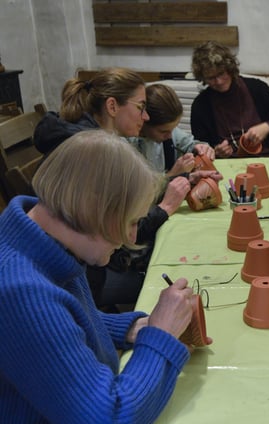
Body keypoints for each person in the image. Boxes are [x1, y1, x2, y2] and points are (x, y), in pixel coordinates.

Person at [0, 130, 211, 424]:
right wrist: (161, 336)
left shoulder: (37, 240)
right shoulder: (21, 292)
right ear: (97, 210)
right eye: (131, 222)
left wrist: (130, 328)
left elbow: (57, 326)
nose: (129, 238)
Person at [33, 68, 191, 307]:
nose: (146, 116)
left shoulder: (87, 140)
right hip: (80, 279)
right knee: (169, 280)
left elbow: (122, 207)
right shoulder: (92, 152)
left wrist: (178, 182)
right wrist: (166, 207)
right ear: (112, 106)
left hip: (82, 269)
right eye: (140, 107)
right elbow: (123, 232)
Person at [190, 40, 269, 157]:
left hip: (268, 157)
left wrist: (267, 127)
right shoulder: (200, 105)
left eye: (221, 73)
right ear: (203, 78)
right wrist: (215, 152)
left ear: (230, 68)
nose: (219, 81)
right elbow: (199, 147)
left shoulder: (256, 88)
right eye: (211, 78)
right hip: (229, 163)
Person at [129, 83, 216, 176]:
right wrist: (172, 174)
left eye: (173, 129)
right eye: (163, 131)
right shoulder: (128, 145)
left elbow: (188, 143)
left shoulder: (168, 131)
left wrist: (200, 147)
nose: (170, 136)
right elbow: (139, 188)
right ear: (144, 121)